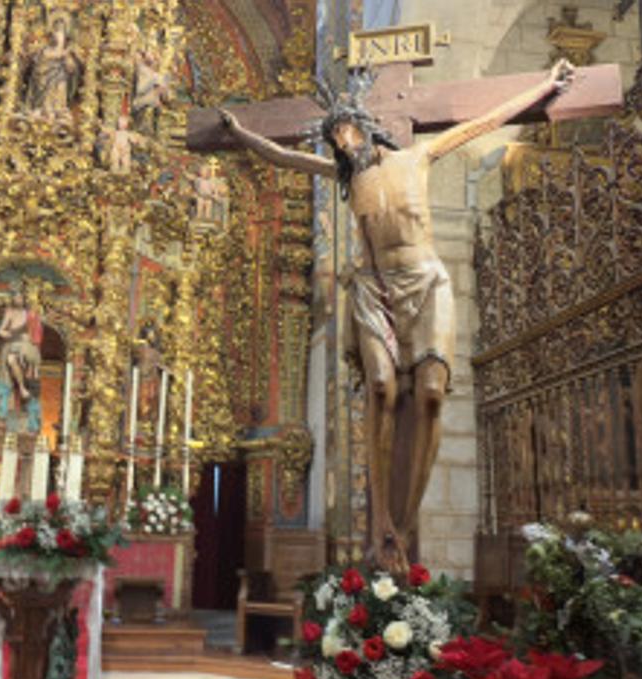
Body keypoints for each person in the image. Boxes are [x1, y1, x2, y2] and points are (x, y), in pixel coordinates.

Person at [220, 59, 574, 570]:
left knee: (429, 394)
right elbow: (280, 156)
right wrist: (240, 132)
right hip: (375, 288)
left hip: (426, 281)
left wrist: (544, 85)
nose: (343, 144)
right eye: (335, 139)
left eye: (346, 132)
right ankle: (382, 518)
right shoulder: (344, 179)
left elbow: (485, 122)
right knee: (382, 389)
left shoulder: (417, 157)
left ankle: (401, 526)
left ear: (366, 128)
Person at [25, 19, 78, 120]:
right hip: (45, 80)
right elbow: (47, 59)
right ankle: (45, 108)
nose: (59, 38)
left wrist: (69, 63)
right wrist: (65, 52)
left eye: (62, 33)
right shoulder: (45, 50)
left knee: (61, 88)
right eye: (57, 32)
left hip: (60, 77)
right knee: (47, 92)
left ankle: (59, 108)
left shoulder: (66, 55)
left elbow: (72, 69)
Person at [0, 292, 42, 402]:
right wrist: (6, 333)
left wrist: (31, 338)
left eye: (21, 297)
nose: (19, 300)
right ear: (13, 299)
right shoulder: (10, 313)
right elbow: (0, 330)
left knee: (31, 365)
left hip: (27, 344)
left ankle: (30, 384)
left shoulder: (29, 313)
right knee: (11, 359)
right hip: (14, 342)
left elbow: (37, 331)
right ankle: (22, 388)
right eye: (17, 298)